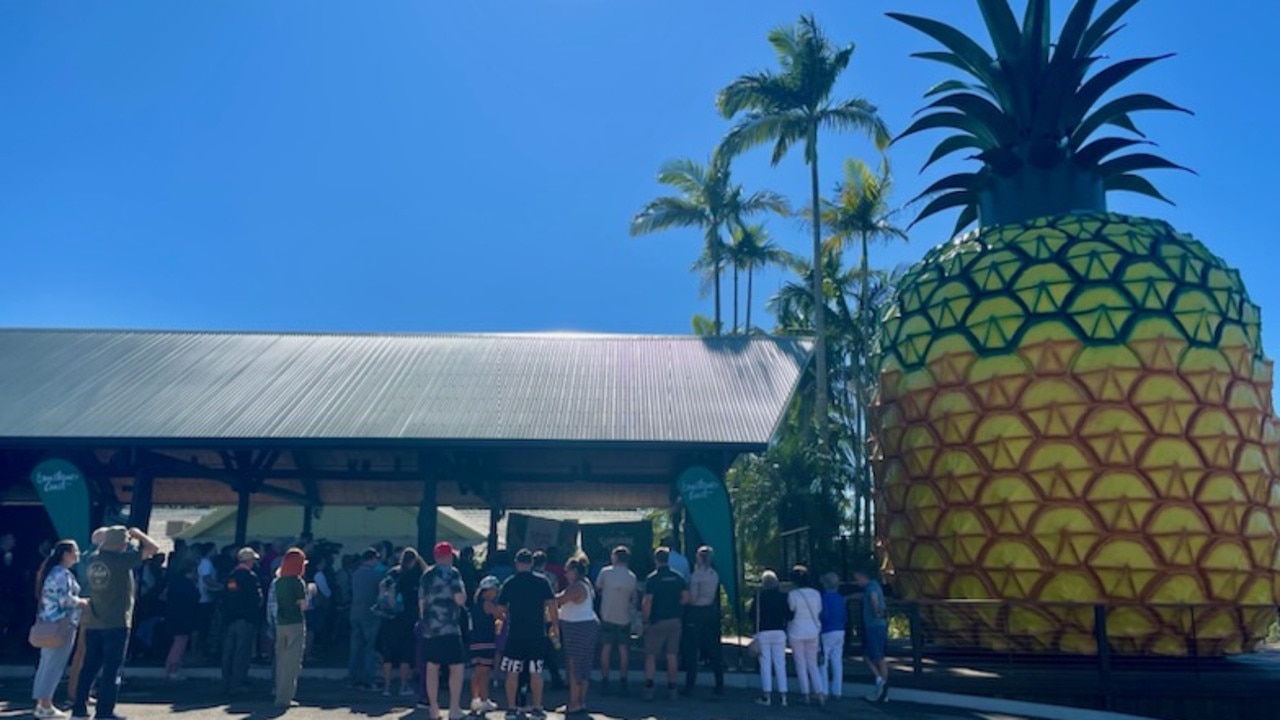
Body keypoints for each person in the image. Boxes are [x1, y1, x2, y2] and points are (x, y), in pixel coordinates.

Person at [70, 525, 159, 720]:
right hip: (116, 622)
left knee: (89, 668)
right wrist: (138, 534)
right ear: (120, 544)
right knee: (112, 670)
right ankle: (104, 711)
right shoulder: (120, 561)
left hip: (95, 621)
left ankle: (78, 709)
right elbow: (153, 549)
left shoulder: (94, 559)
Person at [497, 548, 557, 720]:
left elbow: (500, 609)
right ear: (531, 563)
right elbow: (552, 605)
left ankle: (511, 708)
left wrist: (506, 617)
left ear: (516, 563)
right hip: (536, 633)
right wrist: (554, 625)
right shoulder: (542, 581)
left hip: (515, 633)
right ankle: (537, 707)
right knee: (536, 671)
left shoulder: (510, 582)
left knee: (513, 671)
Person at [31, 540, 88, 719]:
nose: (78, 555)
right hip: (62, 624)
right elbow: (65, 599)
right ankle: (46, 704)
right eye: (75, 552)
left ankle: (42, 703)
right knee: (55, 665)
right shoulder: (62, 574)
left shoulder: (51, 572)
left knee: (46, 663)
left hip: (48, 623)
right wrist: (83, 602)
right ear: (66, 555)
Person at [419, 542, 467, 720]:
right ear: (449, 556)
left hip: (430, 628)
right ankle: (454, 708)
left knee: (432, 667)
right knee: (457, 666)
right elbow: (459, 599)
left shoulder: (426, 575)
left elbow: (421, 603)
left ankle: (434, 708)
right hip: (449, 627)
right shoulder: (452, 573)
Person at [641, 546, 688, 702]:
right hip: (675, 621)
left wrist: (645, 620)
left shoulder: (652, 579)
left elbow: (648, 602)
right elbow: (686, 598)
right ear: (668, 559)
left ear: (656, 559)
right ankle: (672, 688)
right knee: (672, 655)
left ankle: (649, 688)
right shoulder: (679, 577)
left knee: (650, 655)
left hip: (657, 621)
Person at [555, 556, 600, 716]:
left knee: (574, 665)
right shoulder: (585, 583)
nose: (565, 574)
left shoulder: (577, 587)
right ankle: (580, 701)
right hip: (584, 626)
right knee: (583, 665)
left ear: (574, 571)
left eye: (567, 571)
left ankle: (574, 703)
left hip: (579, 627)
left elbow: (559, 600)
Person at [377, 548, 424, 697]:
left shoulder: (392, 573)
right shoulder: (416, 576)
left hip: (389, 619)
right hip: (408, 619)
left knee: (388, 655)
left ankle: (387, 687)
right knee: (405, 655)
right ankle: (403, 686)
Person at [221, 547, 264, 695]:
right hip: (246, 620)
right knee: (242, 653)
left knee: (229, 652)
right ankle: (237, 684)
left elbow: (227, 597)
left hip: (230, 620)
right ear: (250, 561)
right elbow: (257, 599)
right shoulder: (250, 577)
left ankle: (226, 681)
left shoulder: (231, 577)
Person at [595, 546, 636, 696]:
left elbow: (598, 588)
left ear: (615, 557)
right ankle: (623, 679)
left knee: (606, 648)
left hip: (607, 615)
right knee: (623, 650)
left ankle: (605, 679)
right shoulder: (632, 576)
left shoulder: (605, 572)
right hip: (624, 617)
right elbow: (632, 597)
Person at [683, 545, 723, 696]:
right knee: (713, 649)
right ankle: (719, 684)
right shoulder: (714, 575)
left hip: (696, 612)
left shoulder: (696, 576)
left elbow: (693, 597)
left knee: (692, 650)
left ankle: (690, 684)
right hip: (710, 611)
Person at [272, 548, 308, 708]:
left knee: (281, 660)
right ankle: (285, 698)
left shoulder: (278, 582)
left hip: (281, 623)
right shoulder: (297, 582)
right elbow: (303, 606)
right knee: (292, 662)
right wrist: (310, 593)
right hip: (295, 623)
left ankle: (278, 692)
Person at [787, 565, 826, 706]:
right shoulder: (816, 593)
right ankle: (820, 692)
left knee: (800, 663)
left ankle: (805, 693)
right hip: (813, 630)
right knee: (813, 663)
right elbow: (819, 610)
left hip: (797, 631)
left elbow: (791, 611)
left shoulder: (793, 595)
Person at [751, 570, 791, 707]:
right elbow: (788, 615)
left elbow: (751, 615)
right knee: (780, 664)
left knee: (765, 664)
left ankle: (766, 696)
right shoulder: (782, 597)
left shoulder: (759, 597)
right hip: (779, 632)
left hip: (763, 632)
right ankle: (783, 696)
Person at [347, 548, 383, 689]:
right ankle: (368, 679)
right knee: (370, 647)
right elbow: (380, 595)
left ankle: (352, 678)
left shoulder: (355, 574)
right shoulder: (376, 575)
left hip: (355, 612)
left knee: (355, 647)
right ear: (372, 559)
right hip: (370, 614)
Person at [855, 566, 890, 703]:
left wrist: (876, 612)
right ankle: (881, 685)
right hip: (877, 625)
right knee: (872, 655)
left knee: (877, 657)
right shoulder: (873, 586)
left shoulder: (871, 588)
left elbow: (873, 599)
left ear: (864, 577)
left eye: (857, 579)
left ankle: (881, 683)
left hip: (874, 625)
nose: (857, 582)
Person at [468, 577, 501, 715]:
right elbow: (501, 615)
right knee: (484, 672)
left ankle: (475, 699)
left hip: (474, 641)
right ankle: (484, 699)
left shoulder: (475, 605)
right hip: (486, 641)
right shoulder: (488, 604)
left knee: (477, 671)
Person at [163, 561, 200, 681]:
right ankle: (172, 670)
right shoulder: (189, 585)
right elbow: (195, 598)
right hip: (184, 618)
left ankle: (169, 668)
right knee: (179, 644)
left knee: (176, 643)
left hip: (173, 616)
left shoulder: (174, 584)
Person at [819, 572, 847, 700]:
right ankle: (838, 690)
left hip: (827, 630)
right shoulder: (841, 598)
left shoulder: (825, 597)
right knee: (837, 661)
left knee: (823, 662)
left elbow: (824, 615)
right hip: (840, 629)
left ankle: (824, 690)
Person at [194, 543, 219, 657]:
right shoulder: (206, 563)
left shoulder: (207, 563)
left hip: (206, 598)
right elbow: (207, 578)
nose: (216, 552)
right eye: (214, 549)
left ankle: (201, 649)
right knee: (203, 626)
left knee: (205, 625)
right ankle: (199, 650)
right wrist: (219, 586)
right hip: (204, 598)